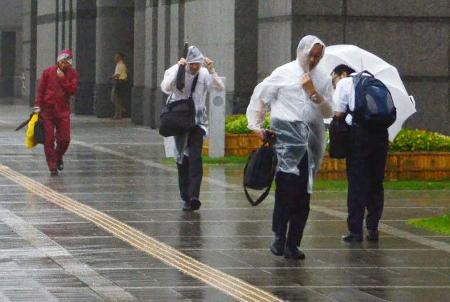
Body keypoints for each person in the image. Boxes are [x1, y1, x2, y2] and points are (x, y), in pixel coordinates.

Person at [246, 35, 334, 259]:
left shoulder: (322, 78)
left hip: (310, 140)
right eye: (310, 55)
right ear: (301, 52)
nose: (313, 60)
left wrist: (313, 92)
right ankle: (279, 236)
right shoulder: (283, 73)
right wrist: (256, 125)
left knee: (304, 193)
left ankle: (293, 242)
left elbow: (328, 112)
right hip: (285, 136)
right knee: (286, 189)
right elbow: (262, 98)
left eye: (318, 56)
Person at [161, 46, 224, 211]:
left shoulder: (204, 73)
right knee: (182, 159)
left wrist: (212, 71)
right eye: (192, 64)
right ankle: (186, 196)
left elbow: (219, 88)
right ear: (187, 62)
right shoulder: (176, 69)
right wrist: (179, 70)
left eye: (197, 64)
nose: (195, 67)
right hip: (180, 121)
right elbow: (166, 88)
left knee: (196, 158)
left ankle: (194, 196)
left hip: (197, 122)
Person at [331, 64, 389, 243]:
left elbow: (338, 113)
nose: (333, 83)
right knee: (376, 182)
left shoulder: (345, 83)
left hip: (359, 137)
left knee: (357, 183)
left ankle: (355, 231)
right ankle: (373, 228)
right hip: (380, 137)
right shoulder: (376, 81)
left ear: (343, 73)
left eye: (333, 78)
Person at [34, 49, 79, 176]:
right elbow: (41, 90)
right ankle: (52, 165)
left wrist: (63, 79)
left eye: (67, 62)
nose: (64, 64)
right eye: (62, 62)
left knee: (65, 139)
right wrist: (37, 105)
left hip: (63, 111)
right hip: (47, 111)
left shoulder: (72, 74)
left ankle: (57, 156)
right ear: (58, 61)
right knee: (48, 139)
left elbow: (72, 90)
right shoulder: (48, 72)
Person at [111, 52, 128, 119]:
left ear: (120, 57)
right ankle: (120, 111)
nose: (115, 57)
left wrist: (111, 77)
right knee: (117, 98)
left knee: (115, 98)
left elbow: (117, 74)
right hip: (119, 82)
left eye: (116, 56)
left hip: (119, 82)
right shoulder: (120, 64)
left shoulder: (120, 65)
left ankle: (120, 112)